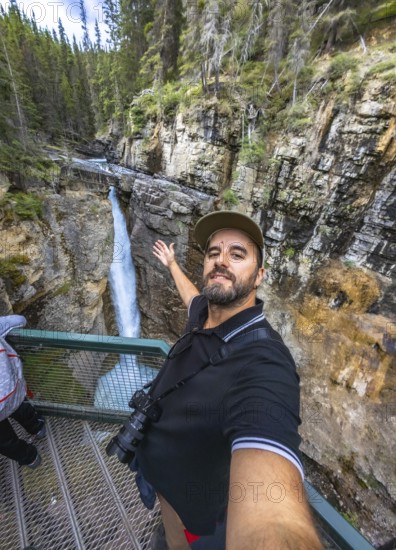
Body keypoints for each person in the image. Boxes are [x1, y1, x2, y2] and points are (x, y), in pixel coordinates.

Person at [134, 211, 323, 549]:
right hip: (162, 477)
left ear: (259, 275)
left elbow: (271, 512)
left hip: (193, 505)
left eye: (237, 254)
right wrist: (172, 264)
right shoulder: (204, 313)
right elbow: (191, 296)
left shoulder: (264, 360)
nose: (221, 261)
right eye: (213, 253)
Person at [0, 315, 45, 469]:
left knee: (3, 441)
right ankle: (38, 428)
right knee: (20, 407)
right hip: (4, 390)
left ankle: (31, 458)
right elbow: (20, 320)